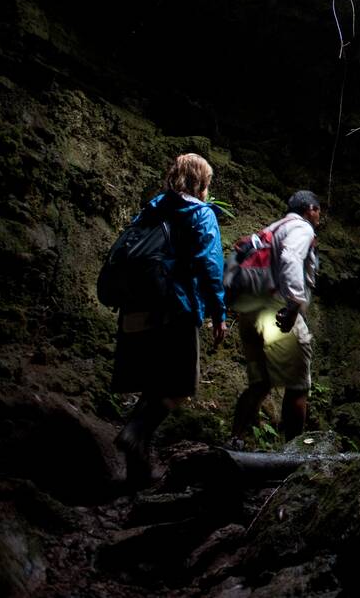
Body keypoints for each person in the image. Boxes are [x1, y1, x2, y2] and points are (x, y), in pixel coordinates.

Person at [113, 153, 227, 486]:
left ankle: (138, 475)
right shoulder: (200, 213)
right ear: (202, 181)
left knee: (152, 385)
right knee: (178, 387)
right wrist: (218, 313)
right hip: (175, 310)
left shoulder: (152, 208)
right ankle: (134, 432)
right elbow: (210, 265)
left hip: (136, 308)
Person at [229, 190, 322, 446]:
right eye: (318, 212)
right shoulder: (301, 228)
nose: (319, 217)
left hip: (250, 312)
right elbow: (290, 257)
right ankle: (293, 458)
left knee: (260, 383)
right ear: (311, 209)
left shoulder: (272, 229)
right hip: (277, 311)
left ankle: (235, 439)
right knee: (298, 385)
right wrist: (293, 306)